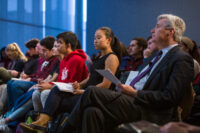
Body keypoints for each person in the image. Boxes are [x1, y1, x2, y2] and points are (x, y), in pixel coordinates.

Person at [54, 14, 194, 133]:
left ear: (170, 32)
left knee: (92, 91)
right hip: (133, 100)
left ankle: (63, 131)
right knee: (91, 111)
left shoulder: (181, 58)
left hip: (152, 111)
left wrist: (135, 93)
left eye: (157, 26)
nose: (152, 30)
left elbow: (170, 97)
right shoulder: (155, 56)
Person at [20, 27, 122, 132]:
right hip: (88, 93)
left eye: (98, 38)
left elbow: (106, 85)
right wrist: (79, 84)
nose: (95, 41)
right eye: (94, 38)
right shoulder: (99, 57)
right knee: (56, 90)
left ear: (109, 40)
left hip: (96, 97)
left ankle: (43, 124)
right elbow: (90, 77)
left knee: (54, 101)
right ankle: (42, 122)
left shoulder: (111, 58)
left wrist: (83, 91)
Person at [6, 36, 59, 111]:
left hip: (38, 82)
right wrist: (28, 76)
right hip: (36, 81)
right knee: (10, 83)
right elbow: (37, 74)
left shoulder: (53, 60)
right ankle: (11, 110)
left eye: (44, 50)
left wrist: (30, 79)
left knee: (16, 85)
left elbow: (45, 77)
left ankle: (15, 111)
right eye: (41, 50)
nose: (41, 52)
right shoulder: (42, 60)